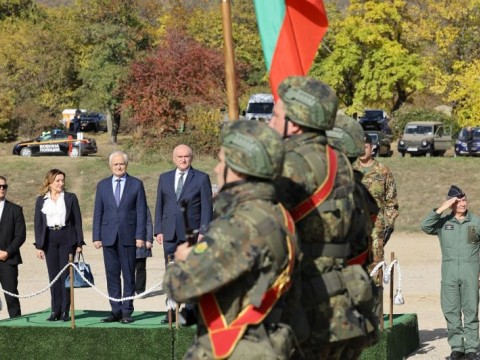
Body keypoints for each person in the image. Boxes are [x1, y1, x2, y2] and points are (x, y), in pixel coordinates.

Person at [164, 121, 297, 359]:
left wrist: (185, 259)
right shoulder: (277, 212)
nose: (216, 169)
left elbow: (180, 287)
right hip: (270, 338)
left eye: (222, 162)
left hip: (238, 344)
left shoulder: (237, 225)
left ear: (238, 169)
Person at [270, 76, 375, 359]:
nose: (269, 123)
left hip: (298, 306)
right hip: (340, 299)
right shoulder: (339, 164)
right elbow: (359, 237)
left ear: (293, 122)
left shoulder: (287, 164)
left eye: (275, 115)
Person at [421, 186, 480, 360]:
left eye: (464, 200)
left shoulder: (476, 222)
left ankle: (471, 348)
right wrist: (441, 208)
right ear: (451, 203)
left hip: (470, 273)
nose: (462, 203)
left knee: (471, 311)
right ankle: (457, 347)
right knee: (451, 311)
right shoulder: (443, 223)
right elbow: (425, 226)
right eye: (458, 201)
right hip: (449, 275)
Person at [93, 151, 147, 324]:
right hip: (108, 237)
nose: (118, 167)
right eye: (115, 164)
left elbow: (141, 212)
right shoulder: (102, 185)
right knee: (112, 275)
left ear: (126, 165)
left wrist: (140, 235)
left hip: (129, 237)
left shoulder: (136, 184)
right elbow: (98, 213)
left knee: (129, 275)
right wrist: (96, 236)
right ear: (110, 166)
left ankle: (126, 311)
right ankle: (115, 310)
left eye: (121, 164)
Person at [352, 133, 399, 306]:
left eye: (366, 146)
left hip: (376, 229)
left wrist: (389, 224)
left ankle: (375, 312)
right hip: (354, 228)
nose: (363, 149)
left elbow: (392, 202)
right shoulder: (350, 170)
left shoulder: (383, 171)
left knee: (376, 267)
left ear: (372, 148)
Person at [34, 169, 84, 321]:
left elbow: (77, 221)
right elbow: (38, 224)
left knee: (66, 276)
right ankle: (55, 310)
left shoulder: (70, 198)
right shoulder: (41, 200)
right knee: (53, 276)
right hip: (49, 238)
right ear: (49, 182)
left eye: (62, 181)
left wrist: (79, 243)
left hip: (66, 238)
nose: (61, 184)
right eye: (58, 181)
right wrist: (39, 246)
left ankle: (64, 310)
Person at [0, 176, 26, 318]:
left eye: (4, 186)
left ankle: (16, 329)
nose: (2, 189)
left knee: (11, 297)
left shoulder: (15, 210)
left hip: (8, 261)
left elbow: (20, 236)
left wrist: (7, 252)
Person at [135, 206, 153, 296]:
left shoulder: (144, 206)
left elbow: (148, 223)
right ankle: (129, 290)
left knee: (141, 267)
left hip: (142, 241)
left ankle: (140, 290)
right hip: (127, 240)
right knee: (127, 268)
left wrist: (149, 239)